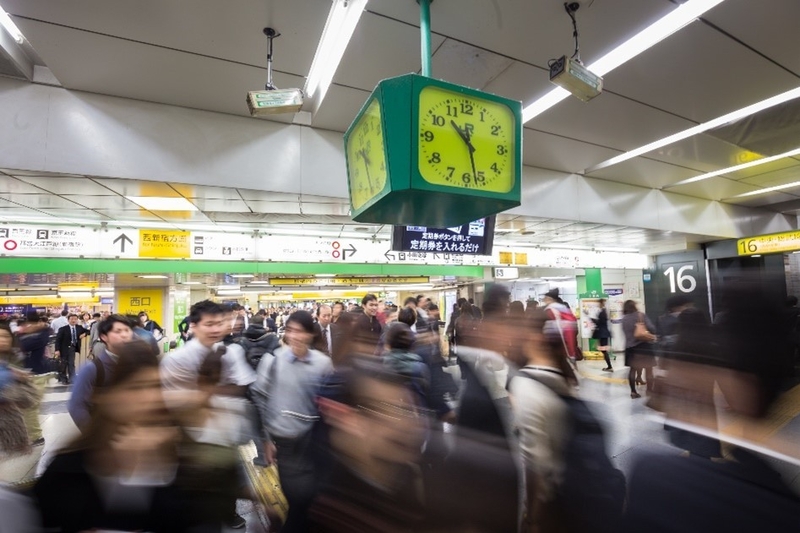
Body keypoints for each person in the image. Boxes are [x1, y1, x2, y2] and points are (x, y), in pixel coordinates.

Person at [35, 341, 208, 533]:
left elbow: (194, 519)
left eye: (156, 386)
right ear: (106, 396)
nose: (151, 398)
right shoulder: (68, 467)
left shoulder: (179, 461)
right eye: (136, 387)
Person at [251, 310, 333, 533]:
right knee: (299, 499)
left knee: (310, 502)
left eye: (300, 331)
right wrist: (265, 439)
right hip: (287, 445)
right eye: (290, 330)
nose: (294, 336)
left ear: (310, 335)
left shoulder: (323, 364)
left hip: (315, 443)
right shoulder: (274, 361)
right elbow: (260, 398)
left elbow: (330, 403)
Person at [68, 314, 134, 432]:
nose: (124, 335)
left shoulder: (138, 364)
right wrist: (95, 436)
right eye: (118, 331)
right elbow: (76, 406)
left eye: (127, 330)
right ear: (104, 337)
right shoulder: (92, 369)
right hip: (106, 435)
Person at [621, 300, 656, 399]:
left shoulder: (624, 319)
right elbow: (651, 328)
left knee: (632, 370)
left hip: (630, 348)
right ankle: (649, 391)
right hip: (643, 346)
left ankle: (633, 392)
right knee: (649, 369)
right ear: (634, 306)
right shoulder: (640, 315)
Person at [54, 313, 88, 384]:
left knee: (71, 364)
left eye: (75, 319)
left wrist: (84, 334)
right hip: (64, 349)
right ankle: (63, 379)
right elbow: (58, 340)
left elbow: (88, 331)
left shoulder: (79, 327)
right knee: (63, 364)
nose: (74, 321)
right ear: (68, 320)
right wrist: (57, 350)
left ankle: (72, 379)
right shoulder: (63, 329)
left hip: (73, 348)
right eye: (72, 319)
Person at [592, 299, 614, 372]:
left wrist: (592, 319)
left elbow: (599, 322)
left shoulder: (602, 312)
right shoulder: (604, 311)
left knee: (604, 351)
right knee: (603, 351)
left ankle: (609, 366)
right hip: (603, 333)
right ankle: (609, 366)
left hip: (602, 333)